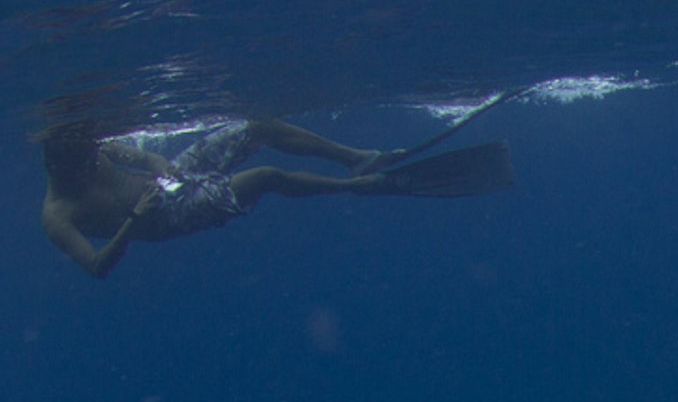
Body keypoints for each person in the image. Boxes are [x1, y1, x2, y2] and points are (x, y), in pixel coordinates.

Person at [40, 117, 515, 279]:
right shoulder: (58, 215)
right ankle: (359, 187)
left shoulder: (91, 149)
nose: (93, 162)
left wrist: (158, 165)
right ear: (58, 167)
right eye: (82, 163)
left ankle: (355, 158)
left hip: (171, 184)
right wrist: (135, 218)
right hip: (165, 218)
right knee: (265, 176)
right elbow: (99, 266)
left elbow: (139, 157)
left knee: (258, 128)